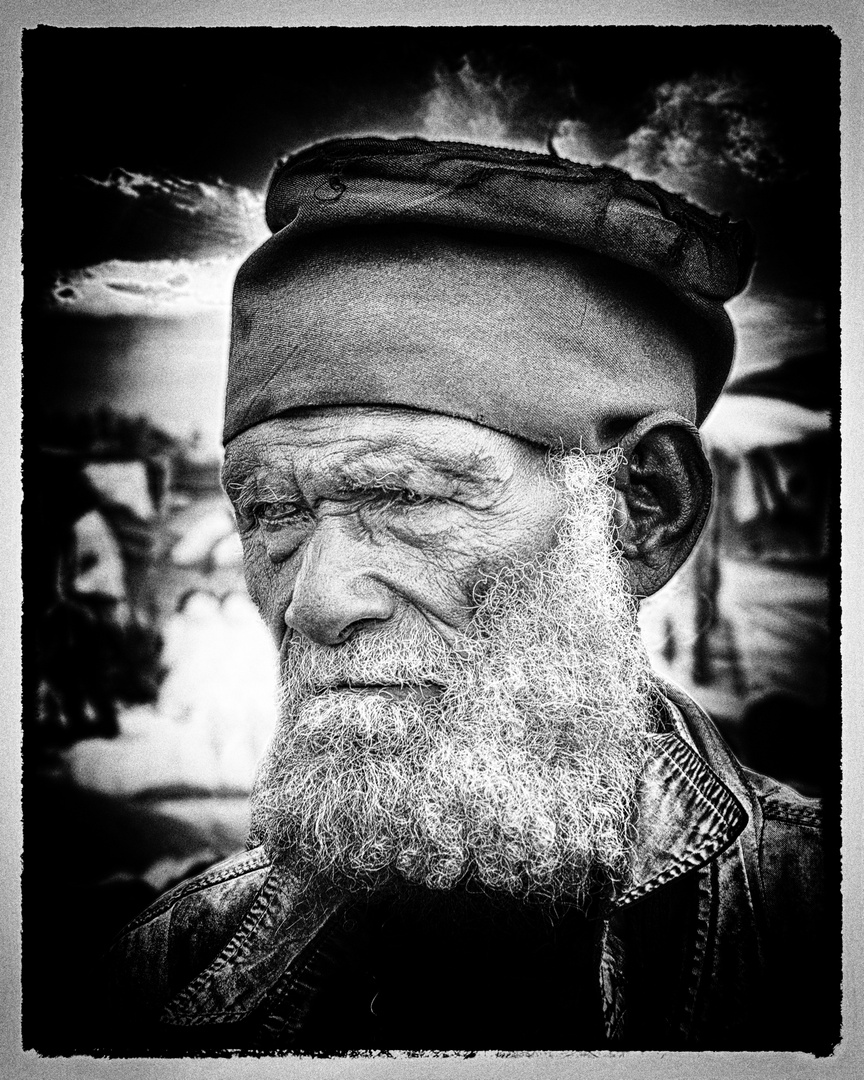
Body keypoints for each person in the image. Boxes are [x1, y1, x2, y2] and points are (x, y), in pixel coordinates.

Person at [102, 138, 834, 1052]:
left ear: (645, 511)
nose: (315, 602)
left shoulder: (820, 935)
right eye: (271, 512)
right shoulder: (157, 977)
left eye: (405, 496)